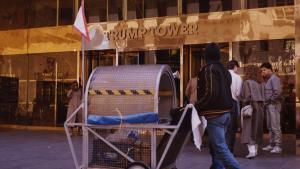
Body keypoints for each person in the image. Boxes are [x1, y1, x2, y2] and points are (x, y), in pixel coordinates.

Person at [195, 43, 240, 169]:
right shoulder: (225, 71)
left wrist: (198, 106)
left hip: (216, 114)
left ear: (207, 55)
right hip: (226, 113)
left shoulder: (210, 69)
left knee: (220, 148)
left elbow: (211, 93)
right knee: (217, 147)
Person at [240, 65, 265, 159]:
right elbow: (264, 97)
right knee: (258, 129)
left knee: (249, 129)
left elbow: (246, 97)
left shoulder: (247, 82)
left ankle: (252, 151)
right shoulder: (261, 83)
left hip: (250, 107)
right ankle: (256, 150)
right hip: (260, 108)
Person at [261, 62, 283, 153]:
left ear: (270, 69)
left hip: (273, 105)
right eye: (262, 70)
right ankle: (271, 144)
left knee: (275, 125)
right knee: (270, 126)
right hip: (269, 105)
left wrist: (270, 100)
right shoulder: (270, 79)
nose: (262, 72)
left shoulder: (274, 79)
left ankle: (278, 146)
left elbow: (277, 92)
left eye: (264, 70)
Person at [226, 60, 243, 154]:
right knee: (231, 128)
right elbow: (237, 93)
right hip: (232, 104)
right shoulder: (237, 78)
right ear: (235, 67)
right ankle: (230, 150)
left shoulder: (221, 76)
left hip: (221, 104)